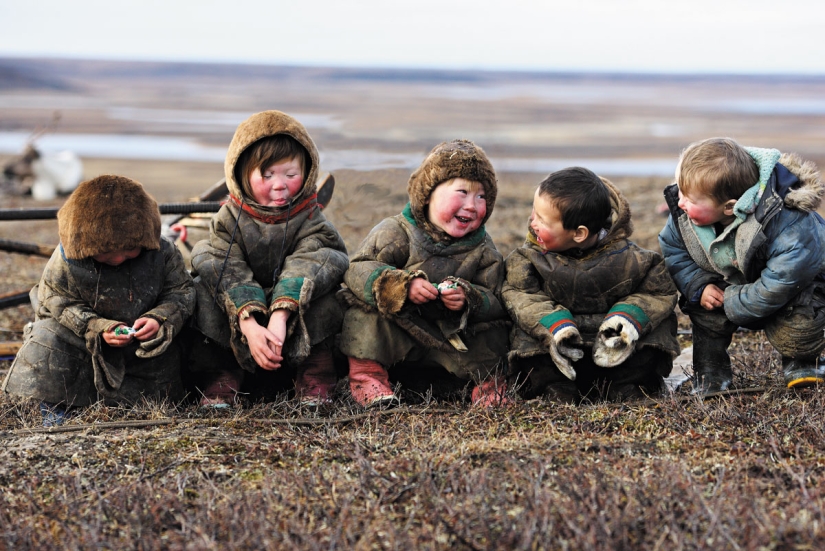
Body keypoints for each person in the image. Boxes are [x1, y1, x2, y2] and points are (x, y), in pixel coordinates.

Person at [2, 175, 195, 426]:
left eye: (129, 250)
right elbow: (55, 299)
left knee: (188, 336)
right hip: (84, 347)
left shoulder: (163, 252)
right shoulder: (67, 258)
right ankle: (58, 407)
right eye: (105, 253)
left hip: (144, 349)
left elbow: (182, 291)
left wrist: (160, 318)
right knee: (46, 335)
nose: (117, 258)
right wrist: (97, 327)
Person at [189, 110, 348, 407]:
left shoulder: (312, 217)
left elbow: (314, 261)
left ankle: (315, 373)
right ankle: (223, 375)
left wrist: (280, 313)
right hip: (244, 313)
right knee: (201, 288)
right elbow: (223, 265)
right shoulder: (227, 218)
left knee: (327, 294)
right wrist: (248, 322)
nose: (280, 184)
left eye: (291, 174)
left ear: (308, 172)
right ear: (241, 176)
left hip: (289, 316)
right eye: (267, 174)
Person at [339, 139, 511, 408]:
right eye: (462, 192)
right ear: (428, 194)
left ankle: (489, 386)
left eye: (481, 197)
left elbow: (496, 295)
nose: (472, 205)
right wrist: (401, 287)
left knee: (494, 334)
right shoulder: (395, 231)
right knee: (363, 315)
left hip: (450, 334)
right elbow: (358, 269)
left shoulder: (483, 247)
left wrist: (469, 297)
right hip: (400, 328)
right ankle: (367, 376)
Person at [659, 137, 825, 393]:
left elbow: (782, 281)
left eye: (690, 200)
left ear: (729, 207)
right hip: (735, 285)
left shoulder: (791, 223)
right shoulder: (683, 219)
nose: (680, 202)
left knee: (801, 314)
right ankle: (711, 373)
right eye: (680, 191)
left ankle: (804, 362)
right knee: (705, 310)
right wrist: (699, 286)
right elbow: (674, 251)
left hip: (794, 288)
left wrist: (733, 299)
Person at [502, 167, 679, 403]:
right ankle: (554, 388)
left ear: (579, 234)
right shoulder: (526, 259)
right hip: (556, 352)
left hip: (613, 353)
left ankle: (625, 386)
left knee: (657, 325)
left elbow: (659, 292)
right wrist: (553, 325)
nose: (532, 222)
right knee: (523, 329)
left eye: (542, 219)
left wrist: (626, 319)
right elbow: (519, 294)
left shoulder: (635, 260)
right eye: (534, 212)